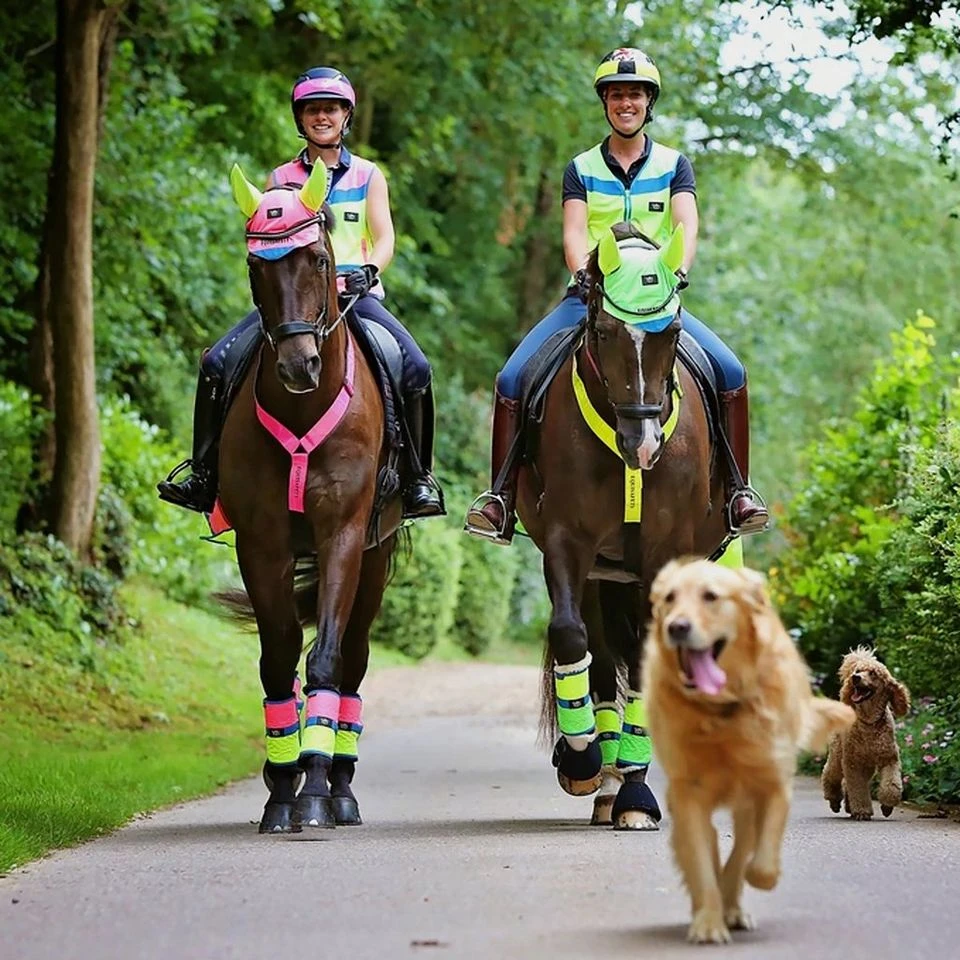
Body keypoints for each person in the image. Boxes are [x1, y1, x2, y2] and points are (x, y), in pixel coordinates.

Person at [464, 47, 768, 544]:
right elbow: (574, 232)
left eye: (635, 95)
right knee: (513, 378)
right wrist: (584, 273)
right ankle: (500, 499)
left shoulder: (675, 164)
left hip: (655, 302)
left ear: (650, 103)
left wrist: (679, 271)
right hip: (591, 299)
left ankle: (738, 492)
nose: (626, 103)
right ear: (605, 102)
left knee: (731, 373)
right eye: (617, 94)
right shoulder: (580, 167)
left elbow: (687, 225)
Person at [158, 66, 444, 520]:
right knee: (216, 363)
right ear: (301, 118)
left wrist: (370, 270)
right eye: (313, 110)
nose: (322, 117)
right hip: (292, 301)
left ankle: (416, 478)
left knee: (415, 367)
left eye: (331, 109)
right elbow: (268, 240)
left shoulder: (369, 175)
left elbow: (385, 235)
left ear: (346, 116)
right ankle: (203, 476)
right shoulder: (279, 177)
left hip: (355, 295)